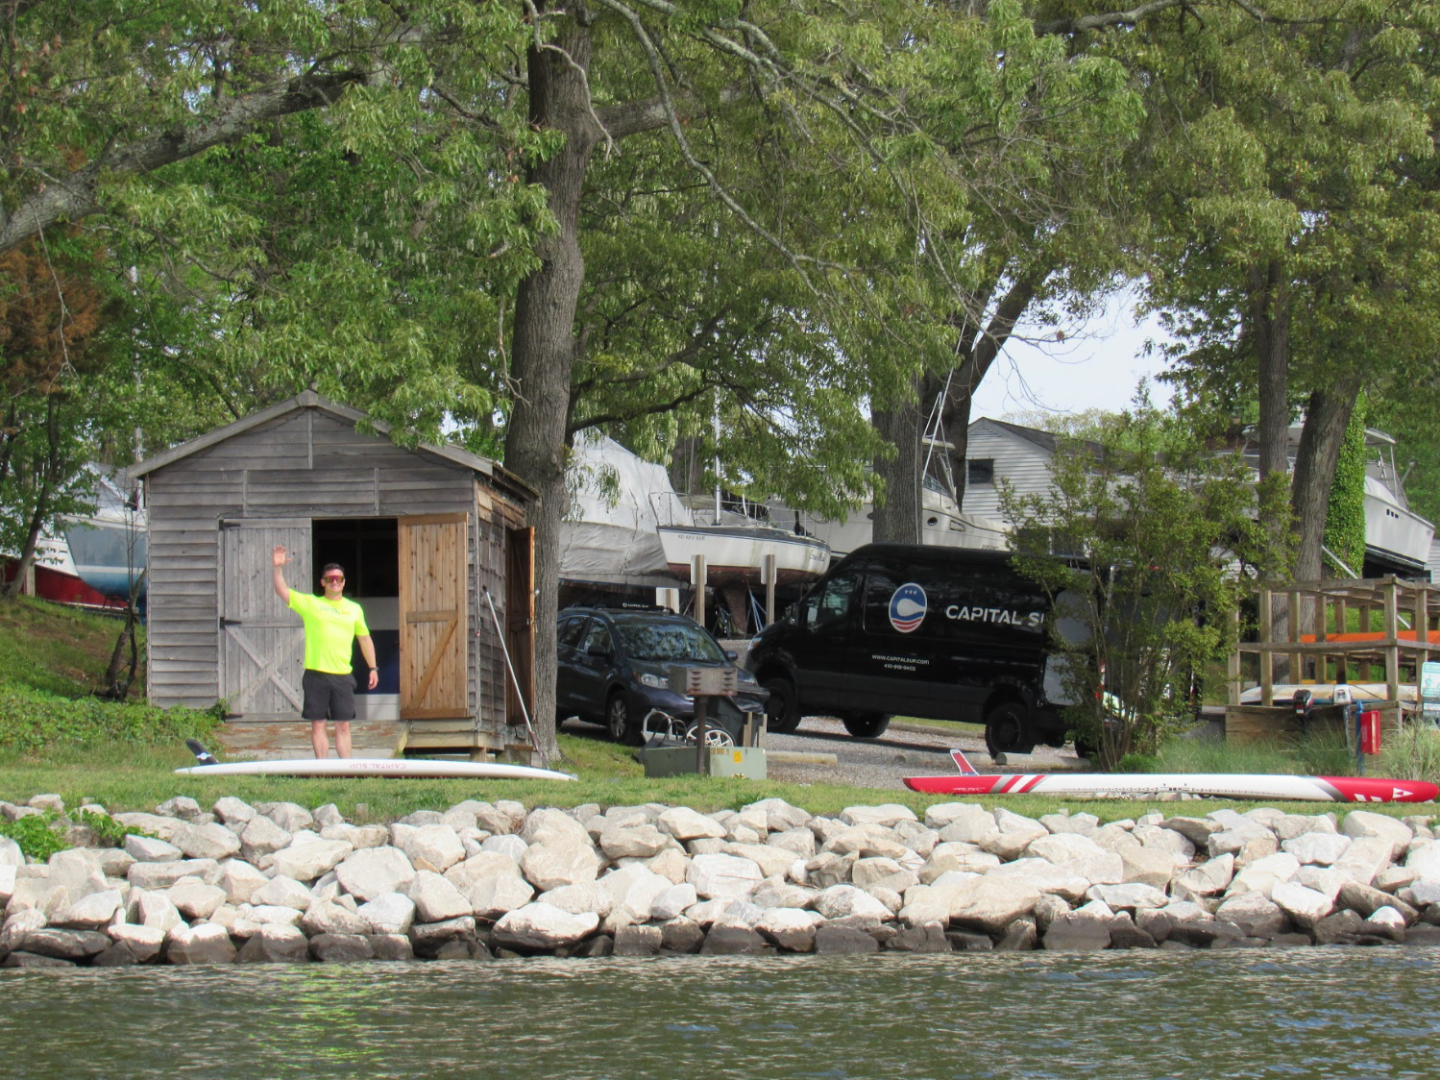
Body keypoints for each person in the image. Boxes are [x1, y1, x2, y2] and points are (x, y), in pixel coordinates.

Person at [272, 545, 379, 759]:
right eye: (330, 579)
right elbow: (283, 591)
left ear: (344, 582)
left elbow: (365, 638)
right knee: (318, 724)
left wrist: (373, 668)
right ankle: (322, 768)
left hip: (342, 675)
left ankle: (346, 769)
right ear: (323, 583)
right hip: (316, 674)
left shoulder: (354, 609)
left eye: (339, 579)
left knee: (343, 725)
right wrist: (277, 569)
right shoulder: (311, 603)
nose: (335, 582)